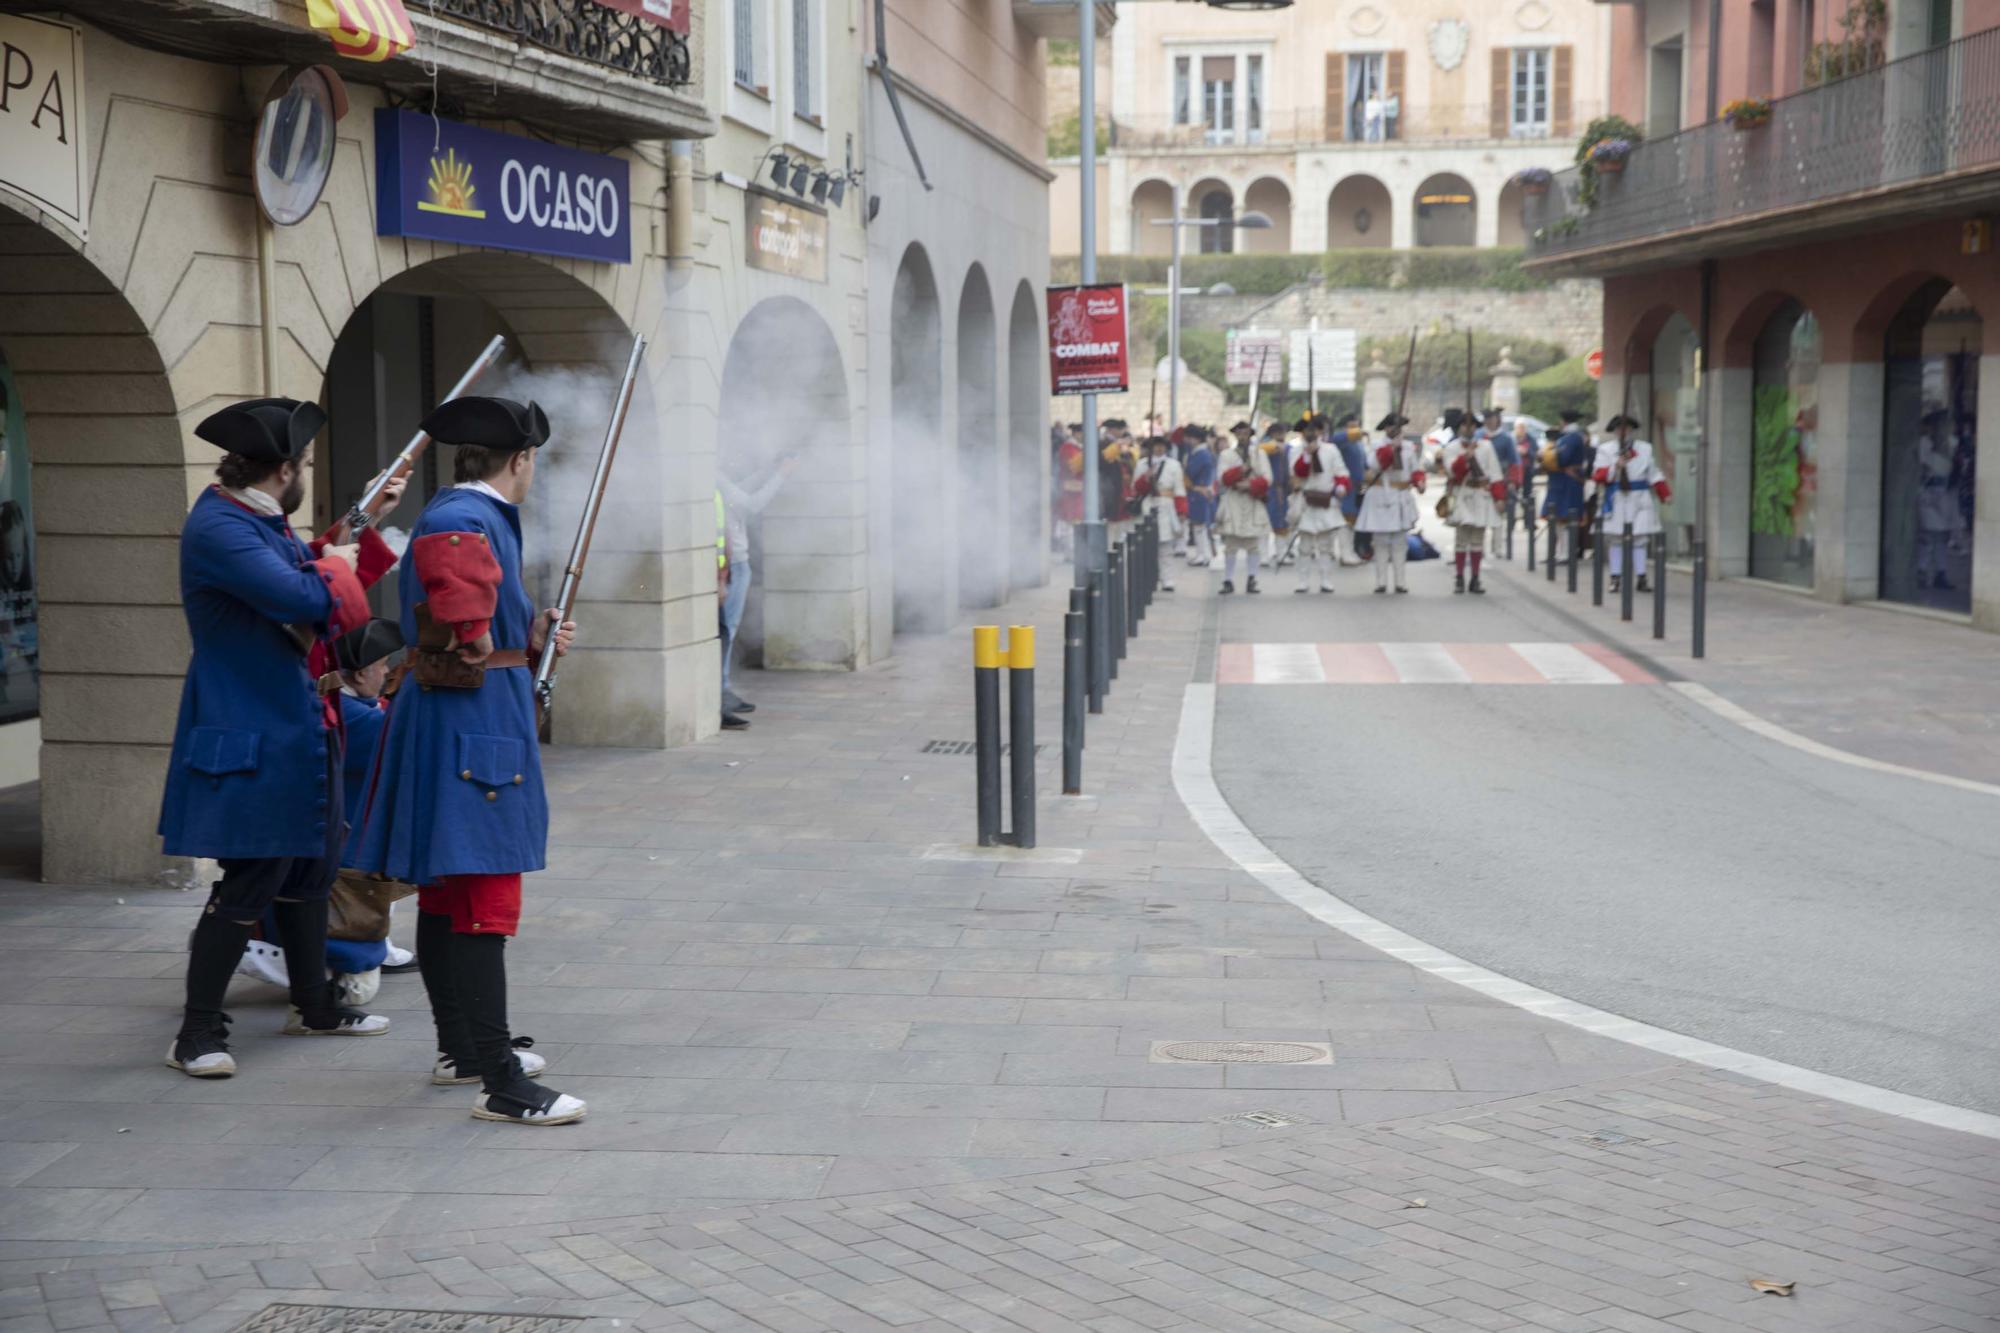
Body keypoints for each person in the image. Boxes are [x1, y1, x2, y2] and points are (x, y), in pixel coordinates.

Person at [349, 395, 585, 1127]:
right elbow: (460, 616)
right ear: (519, 460)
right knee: (483, 897)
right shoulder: (462, 518)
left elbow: (482, 625)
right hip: (471, 724)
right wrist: (484, 630)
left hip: (469, 717)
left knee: (452, 896)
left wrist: (532, 633)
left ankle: (461, 1048)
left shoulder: (471, 515)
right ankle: (500, 1080)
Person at [159, 397, 392, 1078]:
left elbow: (309, 570)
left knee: (311, 871)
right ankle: (197, 1031)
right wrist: (339, 563)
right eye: (304, 466)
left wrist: (356, 534)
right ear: (284, 469)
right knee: (251, 879)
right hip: (250, 723)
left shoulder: (256, 517)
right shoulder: (220, 528)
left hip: (292, 721)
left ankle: (314, 1004)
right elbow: (304, 597)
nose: (304, 476)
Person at [717, 457, 797, 727]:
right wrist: (781, 475)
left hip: (733, 564)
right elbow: (752, 504)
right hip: (730, 566)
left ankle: (724, 691)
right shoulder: (712, 476)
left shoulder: (714, 477)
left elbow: (738, 492)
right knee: (726, 632)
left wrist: (768, 468)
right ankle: (719, 697)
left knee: (727, 631)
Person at [1593, 413, 1670, 593]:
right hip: (1618, 497)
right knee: (1616, 540)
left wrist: (1664, 493)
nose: (1623, 432)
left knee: (1640, 539)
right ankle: (1615, 577)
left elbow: (1653, 473)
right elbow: (1598, 475)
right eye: (1619, 429)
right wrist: (1615, 466)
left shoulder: (1645, 449)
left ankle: (1642, 577)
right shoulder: (1605, 449)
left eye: (1626, 428)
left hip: (1640, 498)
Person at [1355, 413, 1425, 594]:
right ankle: (1381, 581)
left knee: (1400, 542)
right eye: (1392, 427)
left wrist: (1419, 481)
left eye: (1398, 427)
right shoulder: (1376, 445)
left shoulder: (1408, 447)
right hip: (1380, 495)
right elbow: (1374, 464)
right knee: (1380, 542)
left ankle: (1401, 581)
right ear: (1386, 428)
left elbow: (1415, 469)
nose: (1395, 430)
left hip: (1401, 495)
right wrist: (1390, 450)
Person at [1443, 408, 1508, 595]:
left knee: (1478, 540)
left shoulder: (1486, 447)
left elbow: (1495, 473)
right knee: (1462, 540)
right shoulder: (1452, 448)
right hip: (1462, 494)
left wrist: (1499, 497)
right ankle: (1459, 578)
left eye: (1472, 425)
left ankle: (1475, 578)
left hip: (1480, 494)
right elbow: (1452, 473)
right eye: (1465, 425)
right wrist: (1465, 458)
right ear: (1460, 427)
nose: (1469, 429)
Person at [1289, 416, 1350, 594]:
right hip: (1305, 502)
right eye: (1308, 430)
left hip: (1325, 500)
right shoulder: (1296, 451)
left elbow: (1341, 471)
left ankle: (1326, 579)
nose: (1312, 433)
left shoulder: (1331, 450)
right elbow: (1296, 472)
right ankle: (1303, 580)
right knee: (1305, 546)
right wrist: (1308, 454)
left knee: (1325, 545)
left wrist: (1341, 485)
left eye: (1315, 430)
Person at [1214, 420, 1272, 594]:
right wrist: (1241, 471)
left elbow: (1268, 478)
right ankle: (1228, 579)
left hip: (1252, 500)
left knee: (1253, 545)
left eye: (1245, 433)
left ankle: (1252, 578)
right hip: (1233, 501)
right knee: (1231, 545)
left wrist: (1250, 485)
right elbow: (1222, 478)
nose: (1242, 436)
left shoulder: (1259, 454)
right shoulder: (1227, 455)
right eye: (1239, 433)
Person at [1541, 408, 1592, 563]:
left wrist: (1549, 456)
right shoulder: (1568, 437)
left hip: (1568, 482)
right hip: (1561, 482)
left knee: (1567, 520)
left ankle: (1566, 554)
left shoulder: (1572, 437)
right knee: (1558, 521)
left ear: (1564, 421)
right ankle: (1560, 553)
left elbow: (1562, 459)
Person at [1135, 435, 1184, 592]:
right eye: (1156, 445)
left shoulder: (1174, 465)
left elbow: (1179, 489)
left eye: (1162, 445)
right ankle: (1148, 578)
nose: (1159, 448)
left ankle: (1167, 578)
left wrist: (1181, 511)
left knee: (1166, 546)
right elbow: (1135, 488)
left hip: (1166, 505)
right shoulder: (1142, 464)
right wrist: (1146, 478)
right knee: (1148, 546)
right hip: (1148, 504)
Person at [1330, 414, 1370, 566]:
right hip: (1345, 485)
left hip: (1359, 486)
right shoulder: (1341, 441)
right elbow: (1335, 439)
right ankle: (1344, 553)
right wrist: (1353, 433)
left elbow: (1364, 464)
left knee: (1354, 520)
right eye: (1351, 426)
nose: (1355, 429)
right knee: (1345, 520)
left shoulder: (1359, 444)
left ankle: (1350, 551)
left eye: (1357, 425)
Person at [1182, 426, 1217, 568]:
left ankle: (1203, 555)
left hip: (1199, 491)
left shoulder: (1201, 454)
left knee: (1200, 525)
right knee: (1199, 525)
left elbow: (1191, 471)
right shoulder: (1202, 452)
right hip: (1199, 491)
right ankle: (1202, 554)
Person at [1261, 422, 1293, 562]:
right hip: (1268, 490)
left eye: (1283, 433)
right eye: (1279, 433)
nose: (1282, 436)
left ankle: (1282, 553)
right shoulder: (1265, 446)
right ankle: (1263, 555)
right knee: (1264, 523)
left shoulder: (1287, 448)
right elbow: (1261, 448)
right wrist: (1274, 446)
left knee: (1282, 523)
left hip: (1282, 489)